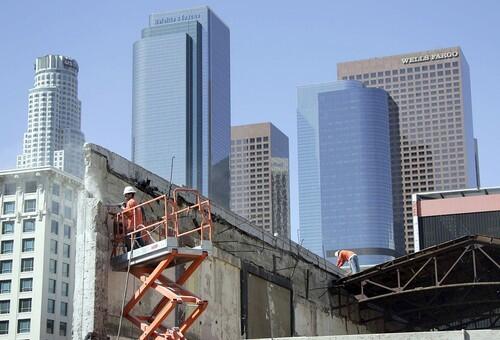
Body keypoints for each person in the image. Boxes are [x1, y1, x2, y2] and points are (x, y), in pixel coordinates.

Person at [122, 186, 149, 250]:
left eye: (126, 194)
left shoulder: (130, 202)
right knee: (138, 238)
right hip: (137, 225)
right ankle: (144, 249)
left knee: (129, 239)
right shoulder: (135, 202)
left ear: (130, 194)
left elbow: (129, 213)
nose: (125, 196)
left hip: (133, 226)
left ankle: (131, 252)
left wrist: (123, 208)